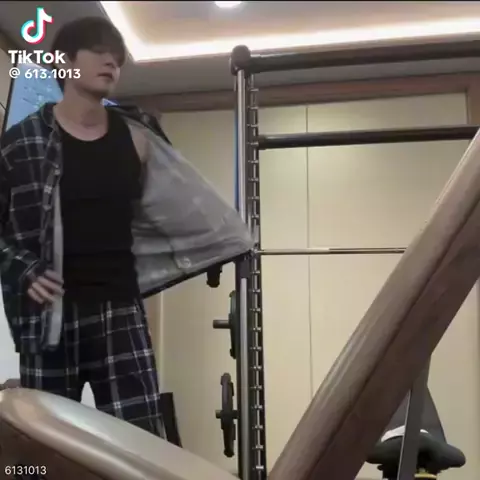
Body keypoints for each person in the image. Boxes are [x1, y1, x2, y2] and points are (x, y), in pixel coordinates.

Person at [0, 17, 165, 436]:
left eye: (117, 57)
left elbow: (169, 212)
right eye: (99, 51)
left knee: (141, 441)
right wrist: (24, 269)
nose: (112, 62)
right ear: (65, 62)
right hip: (48, 318)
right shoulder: (19, 143)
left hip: (120, 309)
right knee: (48, 446)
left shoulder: (139, 139)